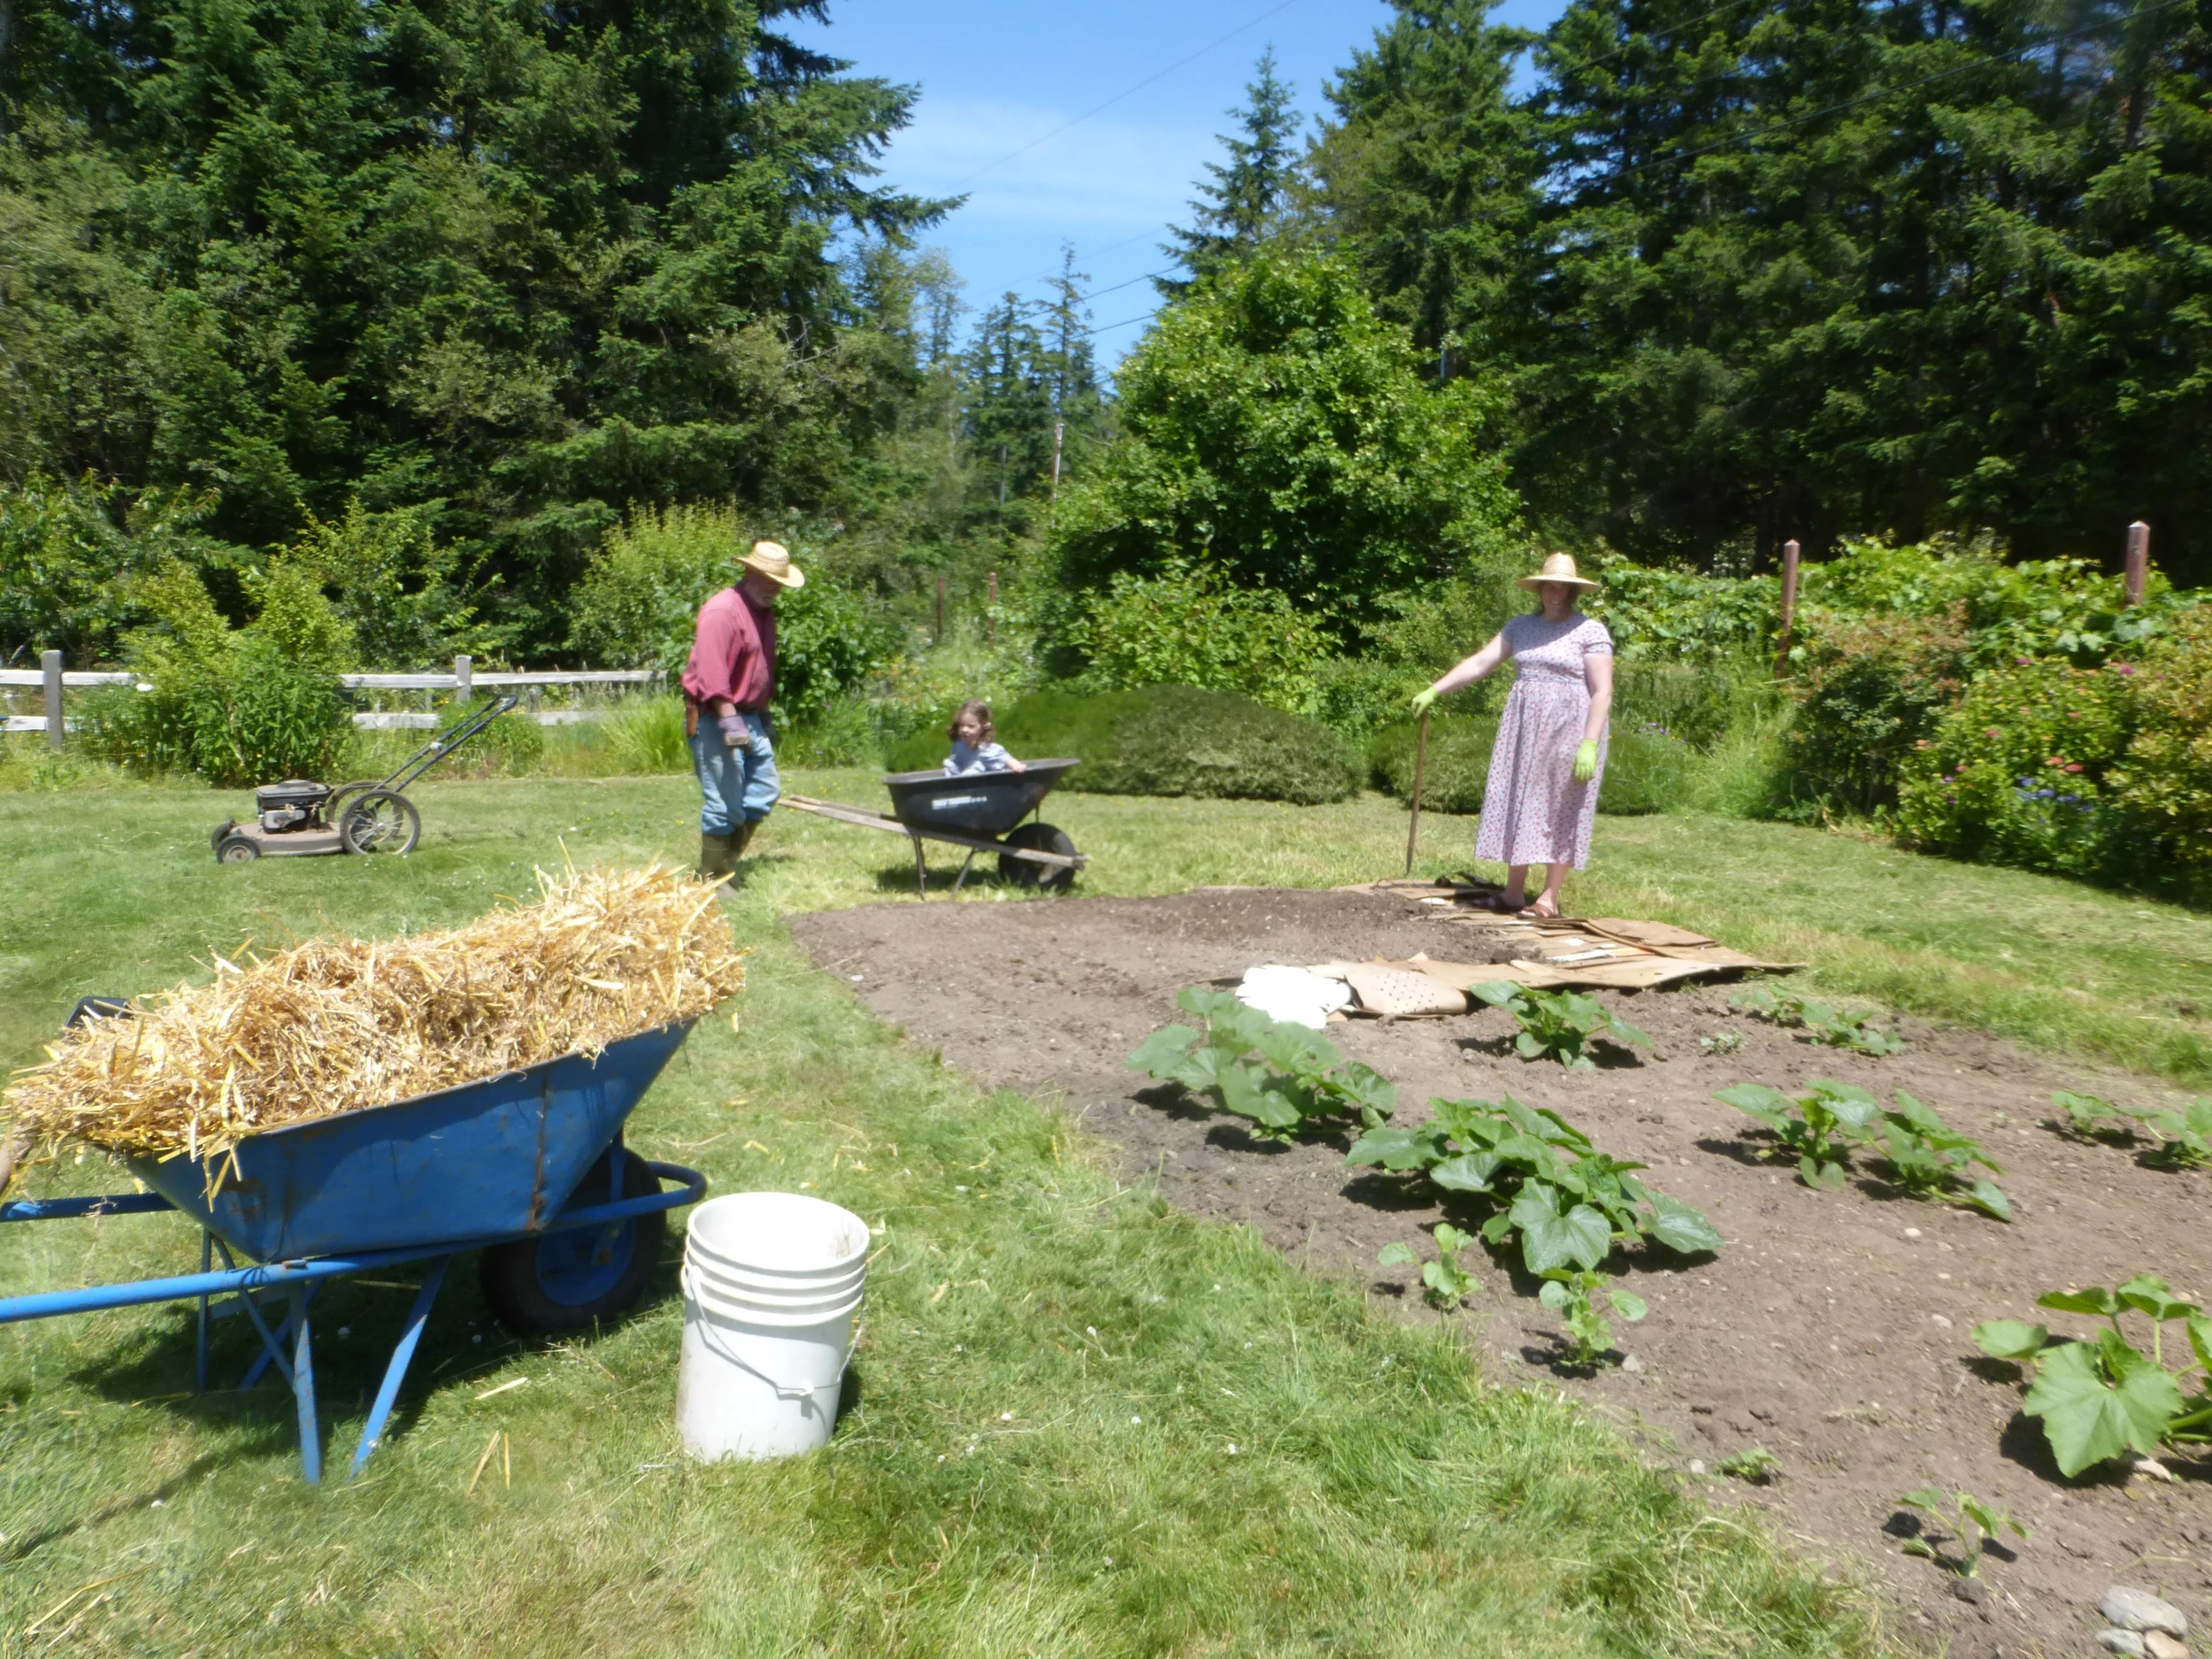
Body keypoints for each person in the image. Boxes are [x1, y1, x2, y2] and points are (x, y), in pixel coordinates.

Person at [1410, 551, 1614, 918]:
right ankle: (1513, 893)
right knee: (1520, 800)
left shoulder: (1590, 631)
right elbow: (1480, 662)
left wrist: (1590, 743)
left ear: (1573, 592)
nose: (1556, 593)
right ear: (1539, 590)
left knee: (1562, 807)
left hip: (1570, 731)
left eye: (1563, 587)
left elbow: (1602, 692)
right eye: (1550, 586)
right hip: (1523, 729)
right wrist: (1436, 690)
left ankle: (1549, 898)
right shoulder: (1520, 627)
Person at [681, 540, 803, 879]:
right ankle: (713, 878)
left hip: (750, 715)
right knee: (723, 803)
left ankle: (725, 865)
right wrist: (729, 719)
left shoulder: (763, 612)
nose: (775, 588)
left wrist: (762, 715)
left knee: (764, 792)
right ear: (749, 572)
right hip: (716, 716)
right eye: (770, 580)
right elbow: (710, 671)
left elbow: (758, 669)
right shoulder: (722, 611)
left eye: (779, 582)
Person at [943, 701, 1027, 776]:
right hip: (962, 783)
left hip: (983, 784)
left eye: (971, 726)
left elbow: (1005, 759)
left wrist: (1017, 766)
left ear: (984, 727)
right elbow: (956, 762)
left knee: (972, 772)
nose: (964, 730)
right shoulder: (960, 744)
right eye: (962, 725)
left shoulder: (987, 748)